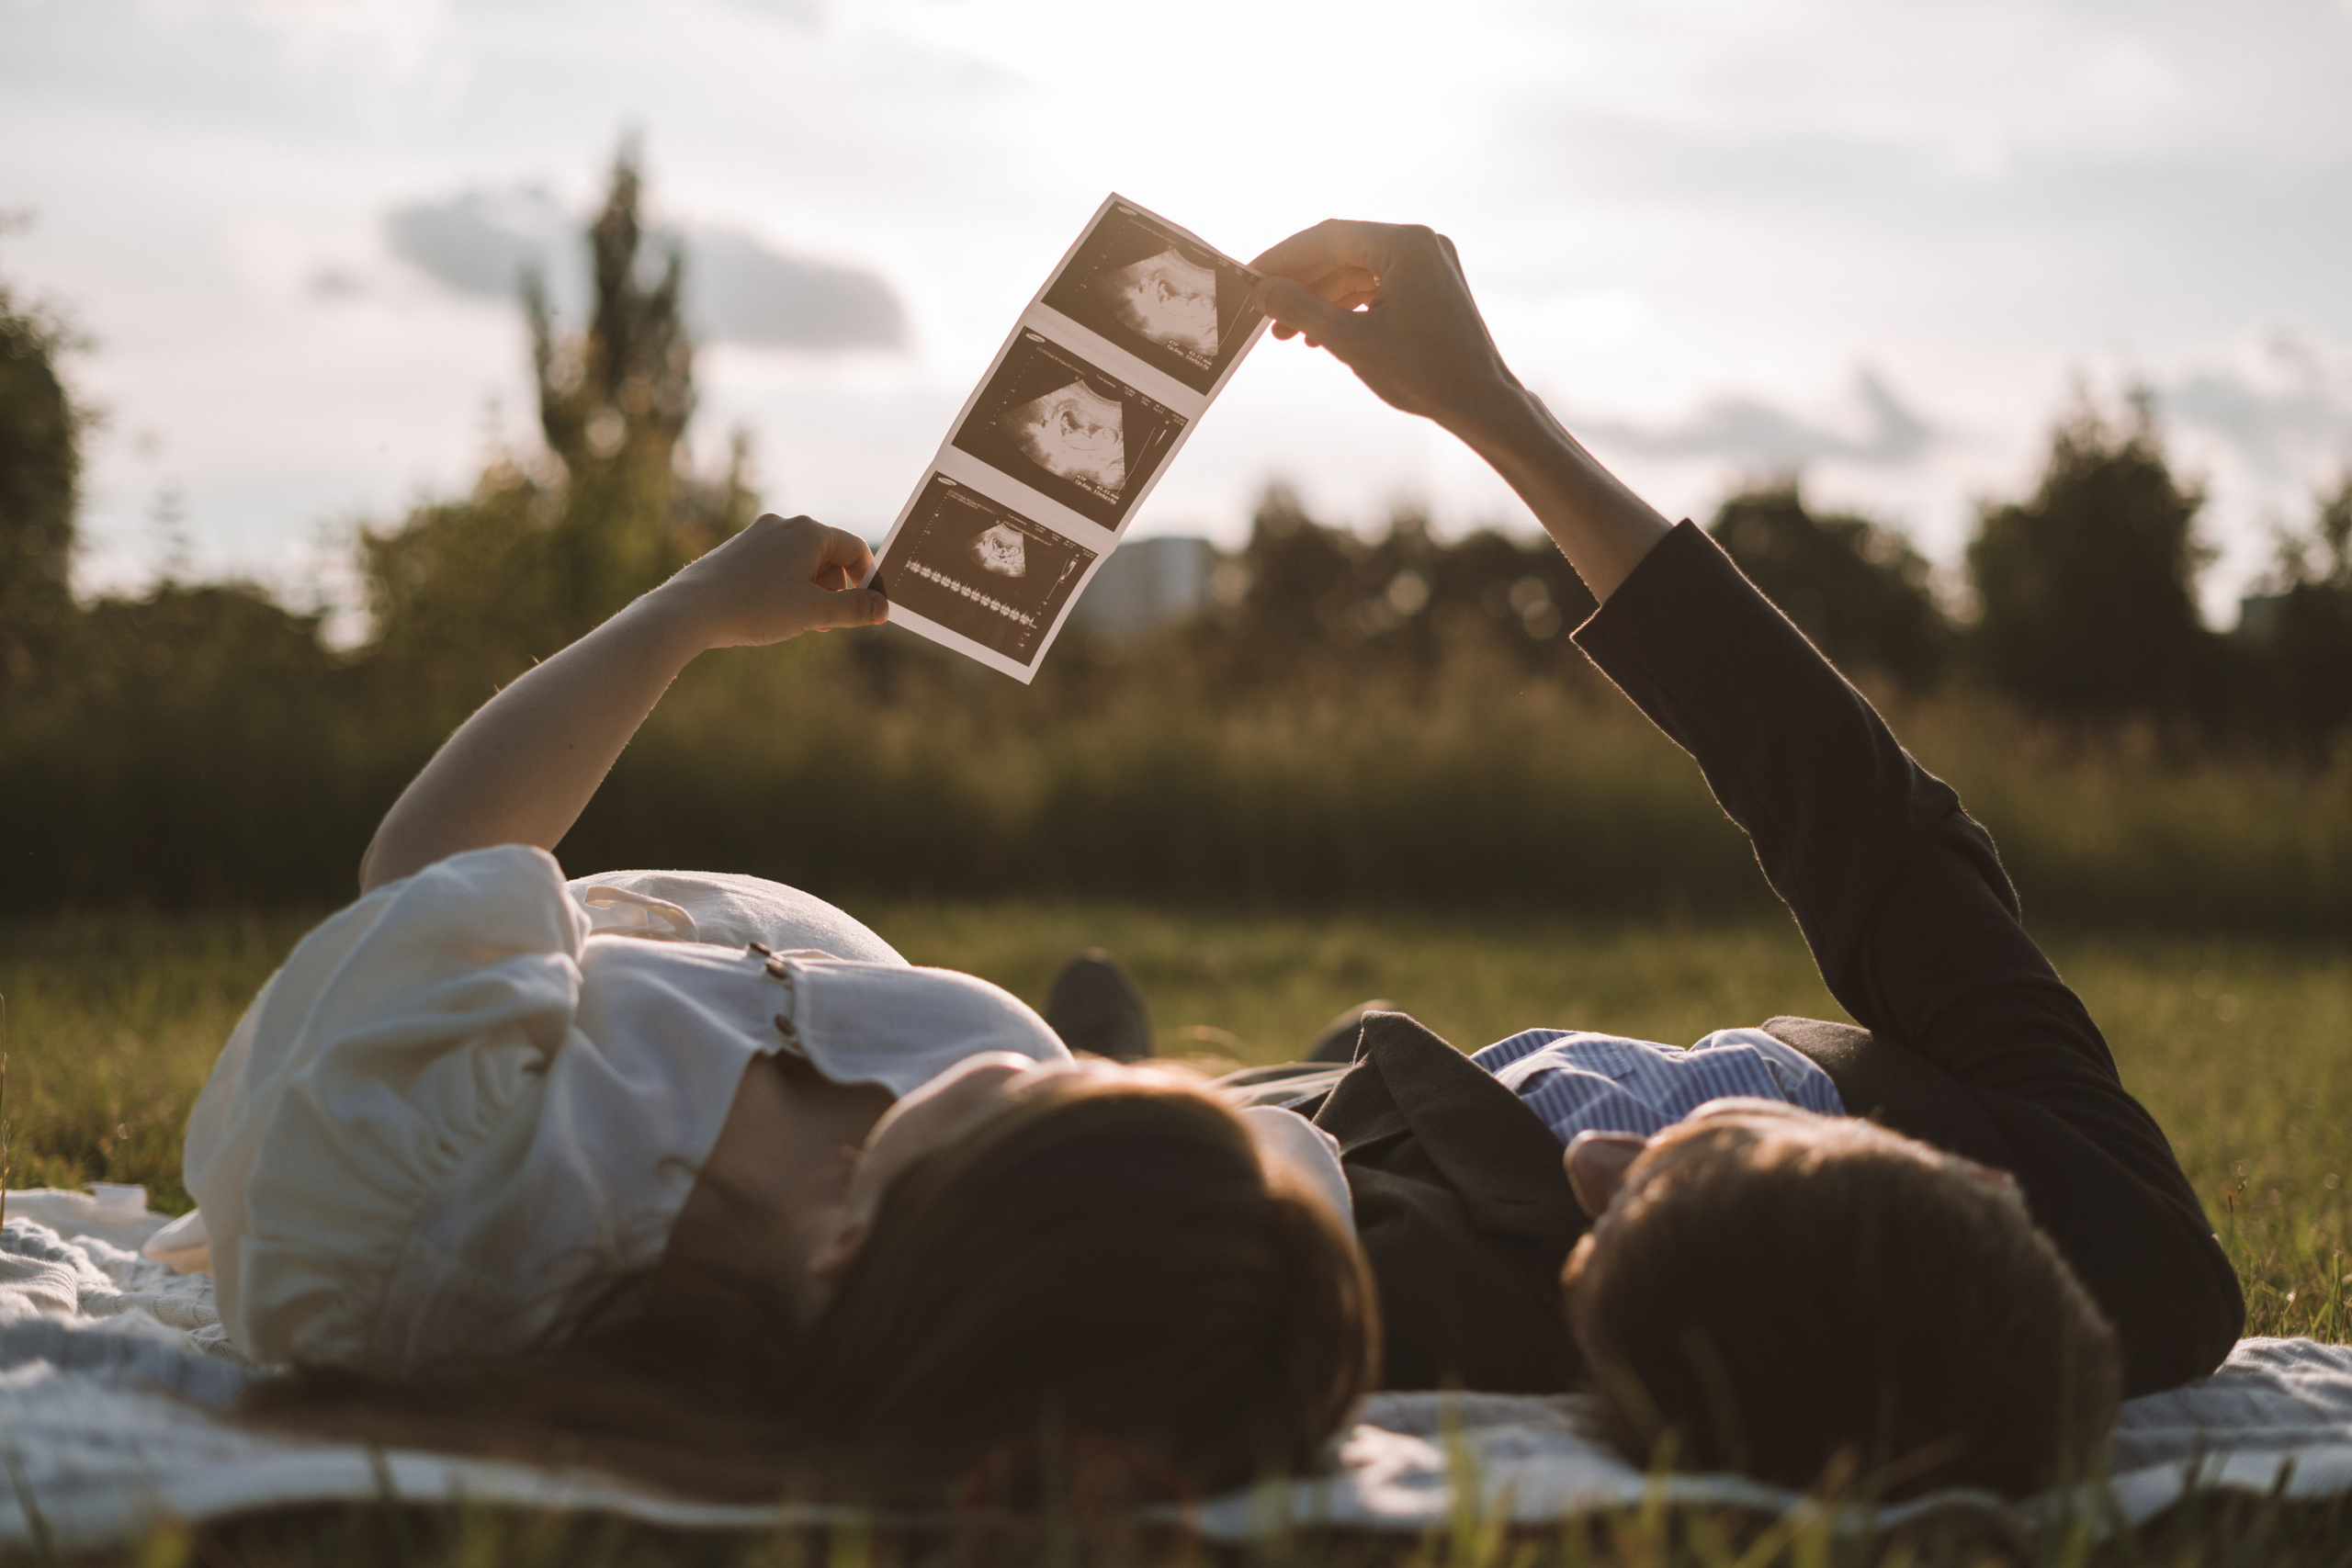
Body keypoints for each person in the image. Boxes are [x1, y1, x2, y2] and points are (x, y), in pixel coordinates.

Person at [1199, 219, 2244, 1500]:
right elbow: (1848, 802)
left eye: (1612, 1233)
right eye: (1703, 1156)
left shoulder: (1400, 1291)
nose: (1605, 1164)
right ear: (1968, 1183)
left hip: (1363, 1127)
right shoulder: (2115, 1235)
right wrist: (1490, 409)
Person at [184, 514, 1374, 1504]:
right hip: (860, 1015)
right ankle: (1168, 1056)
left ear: (854, 1238)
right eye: (1084, 1084)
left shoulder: (447, 1210)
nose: (1036, 1072)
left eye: (1036, 1098)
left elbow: (428, 868)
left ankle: (1160, 1052)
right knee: (1255, 1115)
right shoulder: (1028, 1235)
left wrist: (689, 608)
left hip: (586, 941)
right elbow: (1267, 1215)